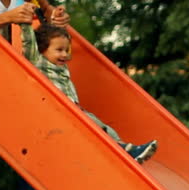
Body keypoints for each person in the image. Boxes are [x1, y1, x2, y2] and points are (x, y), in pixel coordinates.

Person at [20, 23, 157, 163]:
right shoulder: (38, 62)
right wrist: (25, 23)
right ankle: (126, 153)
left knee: (107, 130)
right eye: (59, 50)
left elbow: (56, 34)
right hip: (57, 111)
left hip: (75, 110)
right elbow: (29, 43)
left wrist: (55, 20)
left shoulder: (61, 66)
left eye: (66, 50)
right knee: (94, 128)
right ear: (42, 50)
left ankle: (127, 151)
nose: (65, 54)